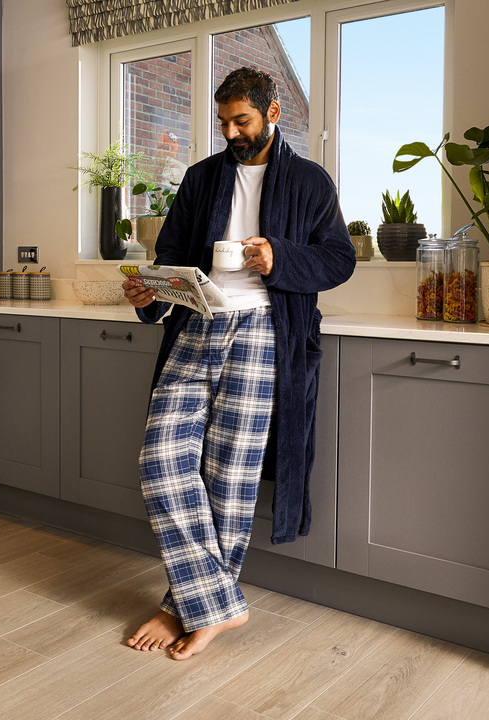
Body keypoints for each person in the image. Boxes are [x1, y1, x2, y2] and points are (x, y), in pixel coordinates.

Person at [122, 67, 356, 660]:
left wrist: (280, 258)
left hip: (264, 334)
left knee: (230, 477)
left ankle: (187, 608)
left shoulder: (309, 181)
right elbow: (171, 255)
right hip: (197, 324)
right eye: (224, 121)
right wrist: (152, 292)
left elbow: (338, 259)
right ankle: (221, 606)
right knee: (161, 461)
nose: (231, 131)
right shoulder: (200, 179)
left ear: (273, 113)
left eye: (241, 120)